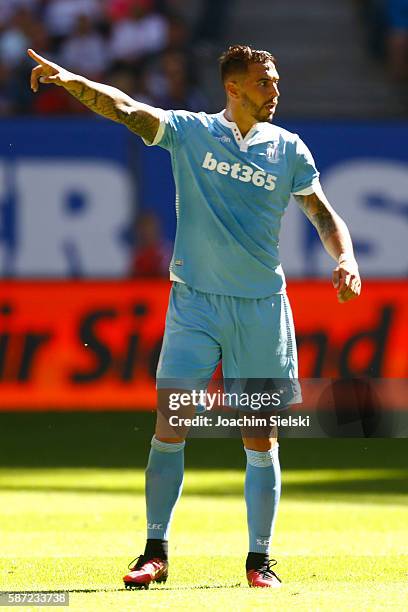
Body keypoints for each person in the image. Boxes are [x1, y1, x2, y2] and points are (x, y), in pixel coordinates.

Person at [28, 44, 362, 589]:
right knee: (172, 423)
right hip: (195, 303)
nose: (274, 91)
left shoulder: (289, 149)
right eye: (264, 82)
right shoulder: (190, 132)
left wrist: (345, 256)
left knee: (260, 436)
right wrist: (71, 80)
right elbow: (127, 108)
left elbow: (323, 214)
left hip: (260, 307)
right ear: (233, 88)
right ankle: (154, 552)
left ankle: (259, 562)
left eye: (275, 81)